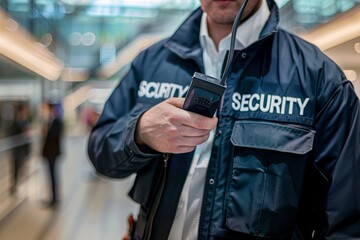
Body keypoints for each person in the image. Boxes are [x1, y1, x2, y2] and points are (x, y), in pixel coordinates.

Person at [88, 0, 360, 239]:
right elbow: (101, 151)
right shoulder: (153, 61)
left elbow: (347, 219)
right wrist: (141, 131)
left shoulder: (318, 78)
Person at [41, 101, 63, 208]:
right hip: (49, 153)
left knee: (53, 175)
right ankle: (52, 197)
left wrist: (46, 132)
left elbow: (54, 136)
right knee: (50, 175)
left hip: (53, 153)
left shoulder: (56, 121)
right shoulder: (49, 121)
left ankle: (54, 198)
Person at [8, 103, 31, 195]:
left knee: (21, 166)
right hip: (17, 149)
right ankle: (14, 185)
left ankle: (19, 184)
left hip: (23, 149)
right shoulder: (15, 122)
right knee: (16, 167)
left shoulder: (25, 122)